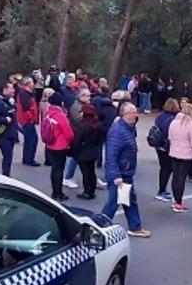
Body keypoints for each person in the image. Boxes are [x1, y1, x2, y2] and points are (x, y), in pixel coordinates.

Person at [102, 103, 150, 237]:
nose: (136, 115)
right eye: (133, 112)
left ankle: (135, 227)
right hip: (121, 174)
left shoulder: (128, 128)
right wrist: (116, 175)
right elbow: (111, 155)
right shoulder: (118, 131)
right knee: (113, 203)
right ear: (125, 115)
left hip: (126, 172)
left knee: (128, 200)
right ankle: (99, 227)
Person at [168, 102, 192, 212]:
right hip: (186, 153)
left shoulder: (173, 122)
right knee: (181, 178)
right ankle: (179, 202)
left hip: (174, 151)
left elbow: (170, 137)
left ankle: (175, 200)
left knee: (175, 176)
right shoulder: (191, 124)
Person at [62, 88, 94, 190]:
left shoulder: (86, 106)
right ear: (81, 97)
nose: (89, 98)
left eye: (90, 96)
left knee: (85, 159)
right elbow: (78, 120)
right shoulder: (76, 106)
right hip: (77, 134)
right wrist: (87, 115)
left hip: (85, 135)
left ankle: (92, 178)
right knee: (76, 157)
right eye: (87, 96)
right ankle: (68, 177)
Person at [71, 106, 105, 200]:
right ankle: (92, 191)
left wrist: (74, 151)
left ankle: (87, 192)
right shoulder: (97, 125)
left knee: (85, 173)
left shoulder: (82, 126)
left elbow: (77, 141)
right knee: (91, 172)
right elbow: (100, 138)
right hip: (93, 151)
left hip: (83, 152)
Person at [153, 98, 178, 201]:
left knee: (163, 168)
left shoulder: (160, 116)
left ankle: (162, 189)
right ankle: (161, 190)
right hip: (166, 145)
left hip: (158, 144)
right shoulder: (173, 119)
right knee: (167, 169)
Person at [16, 76, 41, 167]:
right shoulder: (25, 94)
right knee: (32, 139)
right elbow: (26, 108)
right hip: (27, 120)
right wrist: (31, 119)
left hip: (26, 119)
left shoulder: (25, 93)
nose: (33, 84)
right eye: (32, 83)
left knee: (29, 139)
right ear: (28, 84)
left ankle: (27, 158)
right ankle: (30, 158)